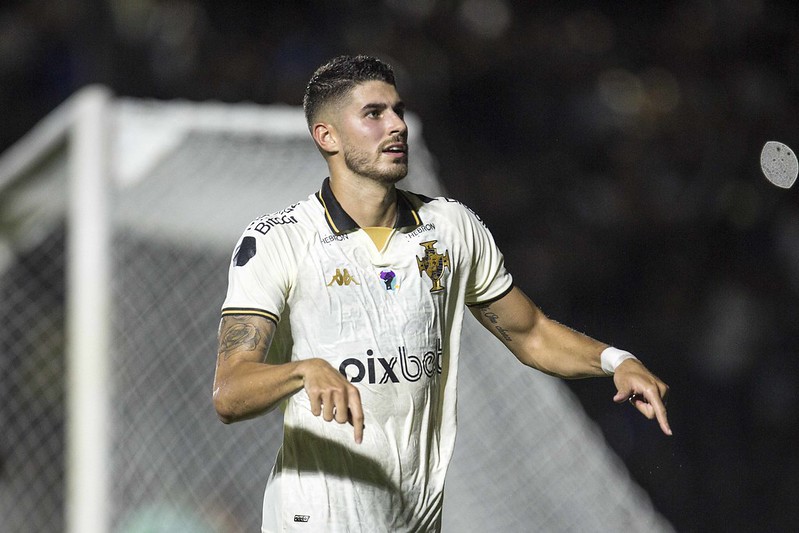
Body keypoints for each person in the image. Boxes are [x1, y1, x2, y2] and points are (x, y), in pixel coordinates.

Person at [212, 54, 671, 533]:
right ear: (327, 136)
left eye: (398, 110)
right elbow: (230, 392)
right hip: (317, 519)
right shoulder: (278, 241)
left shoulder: (451, 228)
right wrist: (303, 371)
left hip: (413, 522)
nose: (397, 126)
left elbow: (530, 332)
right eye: (374, 114)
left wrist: (616, 361)